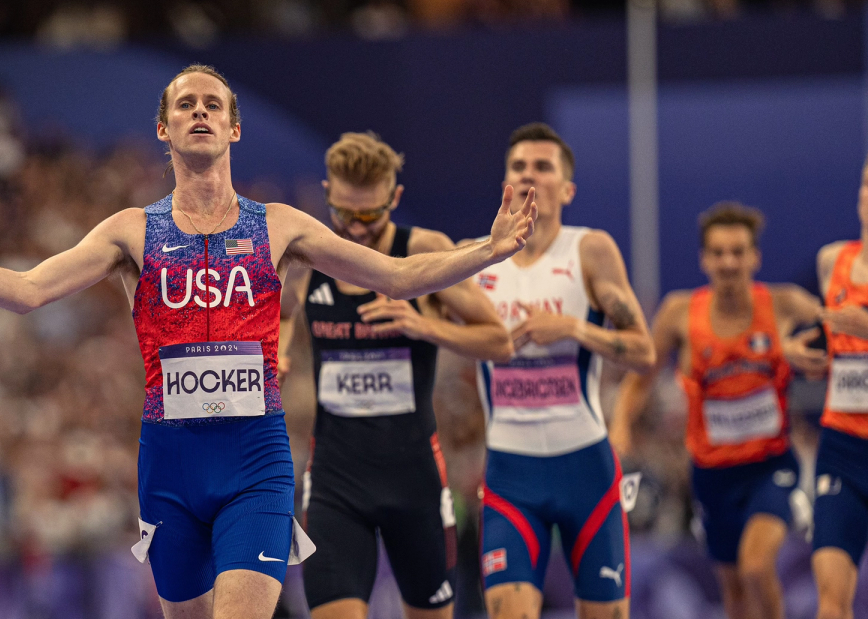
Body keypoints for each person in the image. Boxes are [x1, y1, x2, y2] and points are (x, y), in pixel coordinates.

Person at [0, 64, 537, 619]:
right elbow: (30, 289)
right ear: (164, 128)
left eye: (214, 104)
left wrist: (491, 248)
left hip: (257, 465)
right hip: (171, 467)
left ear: (234, 127)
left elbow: (396, 274)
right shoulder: (130, 232)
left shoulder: (280, 228)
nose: (201, 113)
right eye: (186, 105)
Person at [277, 132, 513, 619]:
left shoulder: (423, 249)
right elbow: (280, 318)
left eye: (370, 215)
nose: (357, 229)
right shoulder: (306, 257)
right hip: (335, 482)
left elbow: (499, 340)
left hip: (416, 481)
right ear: (327, 196)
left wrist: (421, 324)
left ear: (395, 199)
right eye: (345, 215)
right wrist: (275, 357)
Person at [467, 122, 653, 619]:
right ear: (504, 180)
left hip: (585, 468)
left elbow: (643, 351)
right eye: (519, 166)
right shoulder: (475, 258)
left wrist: (574, 327)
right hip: (510, 470)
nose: (530, 175)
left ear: (567, 189)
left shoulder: (589, 250)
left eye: (543, 167)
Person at [611, 202, 821, 619]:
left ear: (755, 257)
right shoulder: (679, 313)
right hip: (711, 476)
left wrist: (810, 354)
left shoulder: (784, 305)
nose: (729, 262)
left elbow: (843, 333)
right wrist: (620, 426)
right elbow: (640, 378)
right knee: (735, 593)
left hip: (770, 467)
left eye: (738, 251)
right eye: (719, 252)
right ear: (704, 258)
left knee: (758, 566)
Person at [810, 157, 868, 619]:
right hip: (842, 447)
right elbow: (828, 338)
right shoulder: (833, 261)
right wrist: (802, 352)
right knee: (830, 599)